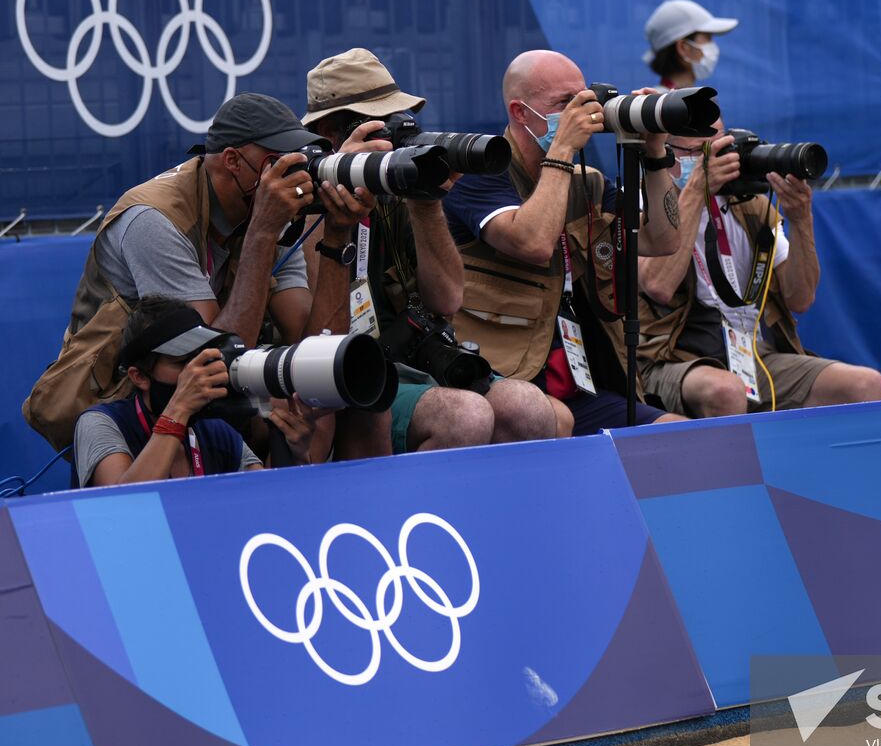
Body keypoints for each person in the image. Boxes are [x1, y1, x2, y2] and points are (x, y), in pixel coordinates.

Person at [24, 92, 382, 458]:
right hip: (131, 396)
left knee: (324, 397)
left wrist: (339, 233)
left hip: (208, 385)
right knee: (274, 408)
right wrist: (261, 231)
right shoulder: (155, 218)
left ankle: (312, 510)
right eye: (277, 161)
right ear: (232, 161)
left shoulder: (270, 212)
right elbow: (212, 356)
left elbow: (315, 341)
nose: (290, 174)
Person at [301, 48, 556, 452]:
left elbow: (447, 298)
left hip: (415, 357)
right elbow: (316, 331)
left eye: (392, 121)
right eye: (372, 124)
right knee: (465, 417)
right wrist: (338, 198)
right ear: (331, 133)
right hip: (349, 374)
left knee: (529, 408)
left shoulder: (398, 193)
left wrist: (427, 201)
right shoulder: (302, 197)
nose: (387, 135)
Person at [443, 50, 685, 436]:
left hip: (577, 378)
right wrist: (562, 149)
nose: (581, 110)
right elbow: (534, 243)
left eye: (583, 97)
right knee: (556, 420)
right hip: (498, 373)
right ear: (521, 113)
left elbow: (664, 240)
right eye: (563, 103)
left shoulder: (586, 183)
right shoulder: (480, 171)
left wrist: (655, 152)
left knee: (677, 434)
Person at [636, 122, 881, 416]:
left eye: (720, 144)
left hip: (749, 354)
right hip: (669, 357)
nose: (716, 158)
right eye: (702, 151)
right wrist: (694, 192)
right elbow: (658, 285)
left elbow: (801, 299)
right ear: (667, 151)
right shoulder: (642, 201)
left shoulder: (749, 205)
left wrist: (801, 218)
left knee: (865, 385)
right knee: (725, 390)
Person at [73, 298, 319, 487]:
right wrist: (177, 411)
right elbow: (123, 509)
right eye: (183, 363)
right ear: (139, 376)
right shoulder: (102, 423)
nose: (198, 372)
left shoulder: (215, 431)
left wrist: (296, 455)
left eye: (201, 358)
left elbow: (268, 504)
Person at [644, 0, 738, 89]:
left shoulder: (691, 101)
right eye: (708, 38)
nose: (714, 46)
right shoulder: (664, 103)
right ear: (683, 47)